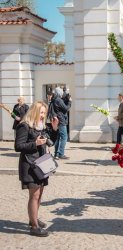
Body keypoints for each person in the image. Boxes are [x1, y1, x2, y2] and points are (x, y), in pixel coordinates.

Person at [14, 101, 58, 237]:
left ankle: (33, 218)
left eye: (44, 113)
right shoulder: (24, 126)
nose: (43, 115)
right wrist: (35, 143)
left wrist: (55, 129)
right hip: (29, 165)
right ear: (34, 112)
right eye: (41, 112)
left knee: (40, 193)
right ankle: (34, 226)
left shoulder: (40, 126)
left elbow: (51, 141)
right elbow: (18, 146)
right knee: (34, 195)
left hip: (41, 163)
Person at [53, 87, 72, 160]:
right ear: (60, 93)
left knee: (58, 138)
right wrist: (70, 101)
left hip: (58, 120)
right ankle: (61, 154)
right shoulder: (59, 100)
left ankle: (56, 154)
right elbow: (66, 108)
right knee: (64, 137)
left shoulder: (55, 100)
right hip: (61, 121)